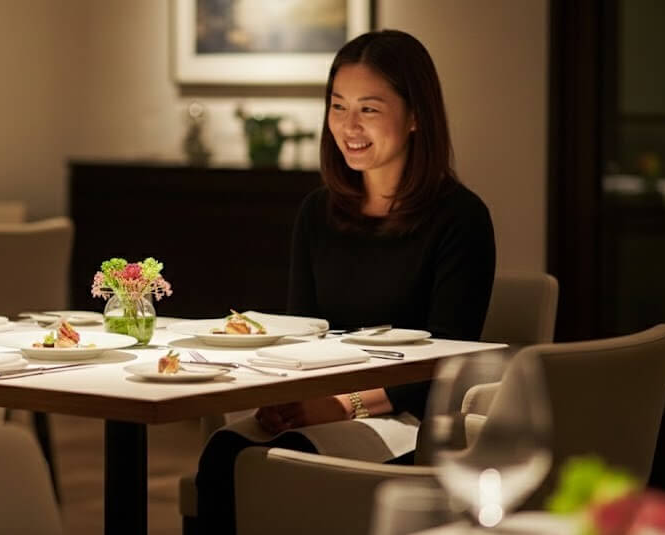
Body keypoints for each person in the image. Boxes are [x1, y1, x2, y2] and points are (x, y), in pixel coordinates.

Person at [195, 29, 496, 534]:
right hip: (324, 407)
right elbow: (300, 338)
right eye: (338, 107)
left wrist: (344, 404)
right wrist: (288, 397)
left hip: (409, 423)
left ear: (416, 114)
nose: (349, 126)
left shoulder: (460, 219)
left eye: (369, 109)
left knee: (284, 464)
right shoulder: (318, 214)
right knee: (222, 453)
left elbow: (445, 371)